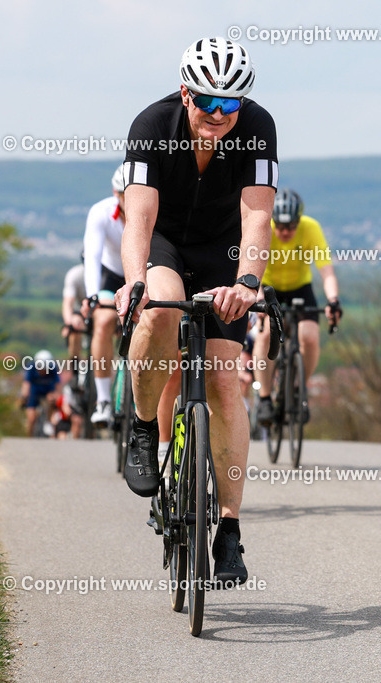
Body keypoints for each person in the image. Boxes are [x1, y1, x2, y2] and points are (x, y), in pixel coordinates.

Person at [115, 36, 278, 586]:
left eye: (230, 105)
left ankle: (228, 528)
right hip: (165, 245)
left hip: (223, 252)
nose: (219, 114)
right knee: (158, 314)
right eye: (207, 101)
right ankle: (141, 427)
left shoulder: (257, 127)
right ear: (186, 94)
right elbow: (138, 217)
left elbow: (257, 217)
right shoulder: (151, 124)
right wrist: (135, 281)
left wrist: (249, 281)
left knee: (225, 380)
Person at [253, 188, 342, 426]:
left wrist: (333, 300)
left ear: (299, 221)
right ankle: (264, 399)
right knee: (264, 337)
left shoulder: (311, 228)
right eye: (280, 226)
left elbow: (327, 271)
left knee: (310, 337)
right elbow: (253, 272)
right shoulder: (264, 229)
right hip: (269, 288)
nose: (284, 232)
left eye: (290, 226)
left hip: (300, 288)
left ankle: (297, 388)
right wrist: (260, 300)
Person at [83, 165, 128, 425]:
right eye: (124, 195)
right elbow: (93, 257)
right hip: (111, 277)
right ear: (115, 193)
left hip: (143, 276)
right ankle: (103, 400)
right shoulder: (101, 212)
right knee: (102, 322)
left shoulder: (152, 207)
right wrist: (92, 296)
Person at [21, 350, 61, 437]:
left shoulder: (53, 368)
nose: (42, 370)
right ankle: (29, 436)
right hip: (34, 391)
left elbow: (58, 385)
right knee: (31, 418)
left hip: (48, 390)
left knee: (51, 400)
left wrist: (56, 397)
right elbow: (26, 384)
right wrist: (24, 396)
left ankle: (48, 421)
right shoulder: (31, 367)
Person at [61, 259, 87, 360]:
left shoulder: (107, 273)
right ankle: (75, 361)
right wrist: (68, 324)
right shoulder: (75, 275)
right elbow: (68, 303)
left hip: (100, 308)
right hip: (79, 310)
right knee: (75, 325)